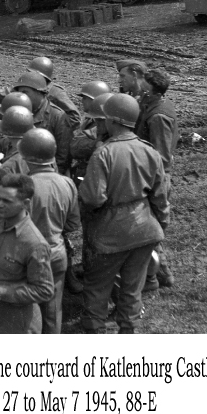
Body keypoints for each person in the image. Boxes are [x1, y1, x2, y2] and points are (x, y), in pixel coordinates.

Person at [79, 94, 169, 334]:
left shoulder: (103, 154)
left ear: (112, 120)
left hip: (111, 233)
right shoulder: (150, 152)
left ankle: (95, 334)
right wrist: (161, 224)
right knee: (131, 290)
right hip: (145, 230)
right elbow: (161, 197)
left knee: (97, 289)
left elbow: (93, 198)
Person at [0, 173, 54, 334]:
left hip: (20, 325)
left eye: (7, 201)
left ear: (25, 204)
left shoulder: (34, 243)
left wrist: (1, 291)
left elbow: (44, 290)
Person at [20, 129, 81, 334]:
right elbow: (73, 224)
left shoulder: (22, 185)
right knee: (53, 309)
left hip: (26, 254)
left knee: (27, 307)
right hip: (56, 252)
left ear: (26, 156)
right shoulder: (67, 183)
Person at [136, 69, 179, 289]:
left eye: (144, 91)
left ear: (153, 93)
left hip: (156, 178)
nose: (140, 94)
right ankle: (161, 273)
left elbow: (160, 156)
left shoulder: (158, 115)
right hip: (155, 176)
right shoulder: (155, 106)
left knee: (152, 230)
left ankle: (161, 273)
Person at [0, 56, 81, 129]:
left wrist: (54, 126)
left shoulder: (56, 92)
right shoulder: (27, 85)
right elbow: (7, 93)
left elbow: (75, 118)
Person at [70, 89, 113, 182]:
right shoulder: (95, 130)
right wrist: (95, 144)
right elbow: (75, 145)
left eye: (100, 120)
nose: (97, 122)